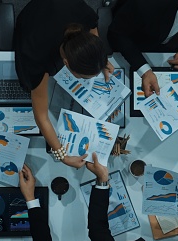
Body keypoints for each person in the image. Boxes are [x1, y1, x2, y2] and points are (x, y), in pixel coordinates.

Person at [14, 0, 113, 168]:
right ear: (65, 63)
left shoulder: (80, 15)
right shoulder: (37, 56)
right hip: (33, 21)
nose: (86, 81)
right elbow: (42, 116)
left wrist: (100, 59)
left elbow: (93, 26)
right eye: (83, 77)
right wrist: (62, 155)